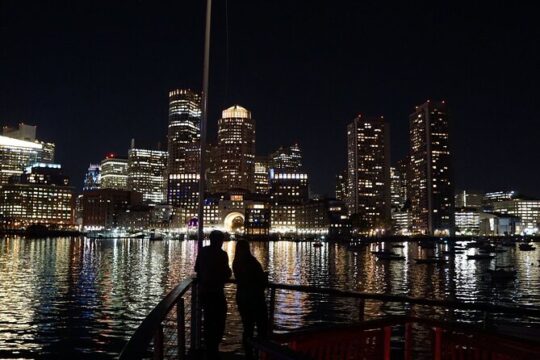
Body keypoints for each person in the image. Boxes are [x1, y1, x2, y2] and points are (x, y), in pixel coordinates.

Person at [194, 230, 232, 359]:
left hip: (204, 291)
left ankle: (208, 348)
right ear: (220, 241)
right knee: (219, 320)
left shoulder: (203, 251)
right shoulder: (222, 254)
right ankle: (214, 348)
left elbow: (196, 268)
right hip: (216, 292)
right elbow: (227, 273)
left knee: (208, 320)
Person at [233, 240, 268, 359]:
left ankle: (248, 354)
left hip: (242, 297)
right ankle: (261, 353)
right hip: (255, 298)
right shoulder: (252, 262)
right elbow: (261, 281)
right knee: (262, 328)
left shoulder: (236, 262)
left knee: (247, 327)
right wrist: (264, 277)